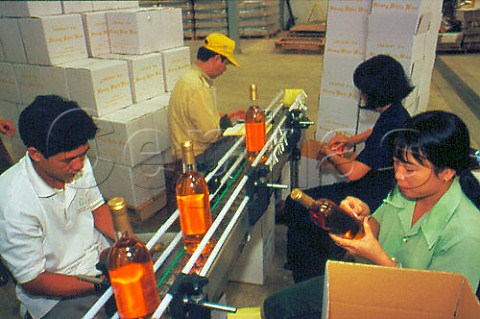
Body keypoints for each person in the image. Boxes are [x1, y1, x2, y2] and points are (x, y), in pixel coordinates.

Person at [264, 110, 480, 319]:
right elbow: (377, 224)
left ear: (447, 172)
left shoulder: (466, 235)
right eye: (396, 164)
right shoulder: (411, 189)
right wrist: (360, 219)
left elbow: (438, 310)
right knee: (275, 306)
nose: (398, 175)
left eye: (409, 170)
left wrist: (375, 255)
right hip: (372, 282)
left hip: (403, 307)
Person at [284, 54, 413, 283]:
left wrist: (329, 153)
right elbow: (377, 131)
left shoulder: (391, 123)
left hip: (373, 192)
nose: (362, 95)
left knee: (298, 206)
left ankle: (307, 274)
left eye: (364, 91)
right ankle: (304, 259)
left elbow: (354, 173)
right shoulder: (396, 113)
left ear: (377, 91)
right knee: (301, 204)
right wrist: (353, 140)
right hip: (378, 183)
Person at [0, 95, 115, 319]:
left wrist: (124, 241)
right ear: (35, 154)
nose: (79, 165)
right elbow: (34, 280)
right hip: (56, 293)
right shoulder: (12, 203)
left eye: (83, 154)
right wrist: (102, 284)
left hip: (97, 257)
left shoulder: (75, 162)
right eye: (69, 160)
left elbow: (97, 207)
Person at [167, 33, 243, 160]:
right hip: (197, 157)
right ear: (217, 58)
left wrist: (225, 117)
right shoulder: (198, 88)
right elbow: (210, 135)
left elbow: (197, 119)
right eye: (226, 64)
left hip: (189, 150)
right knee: (243, 145)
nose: (225, 70)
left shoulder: (188, 78)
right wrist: (228, 125)